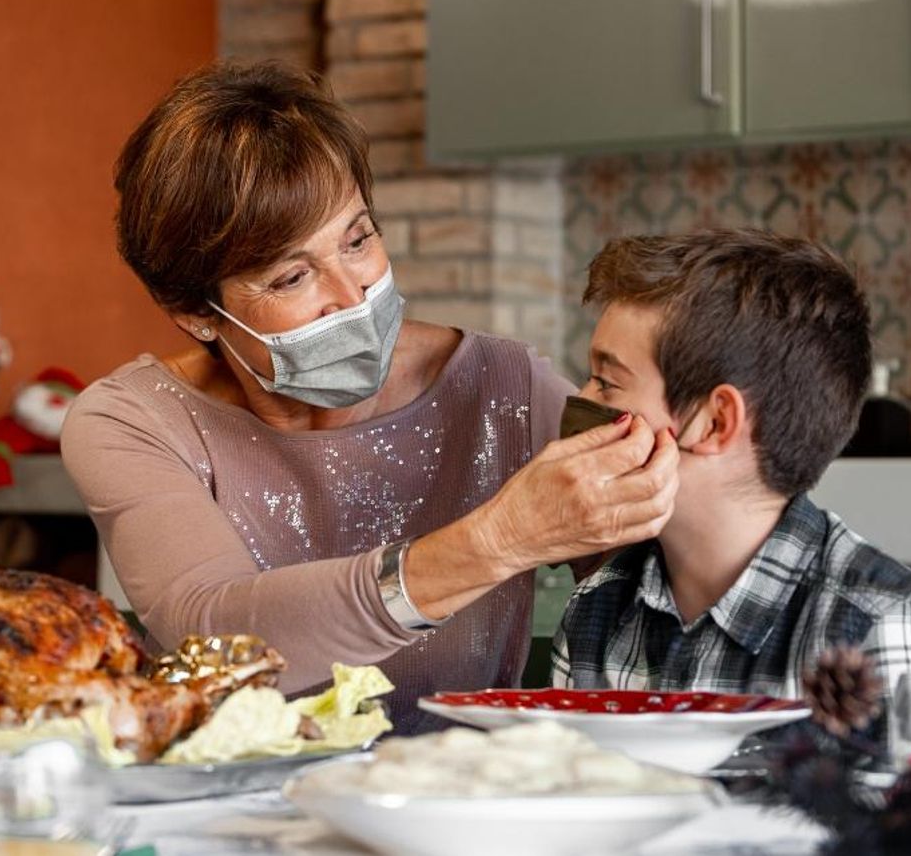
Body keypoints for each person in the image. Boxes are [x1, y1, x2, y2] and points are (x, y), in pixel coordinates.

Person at [61, 61, 680, 732]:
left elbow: (671, 554)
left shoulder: (504, 388)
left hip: (460, 805)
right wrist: (501, 538)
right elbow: (217, 639)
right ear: (196, 313)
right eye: (293, 276)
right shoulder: (134, 421)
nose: (352, 293)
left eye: (358, 239)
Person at [551, 229, 911, 704]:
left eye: (606, 383)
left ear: (714, 423)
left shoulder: (887, 634)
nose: (580, 401)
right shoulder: (596, 610)